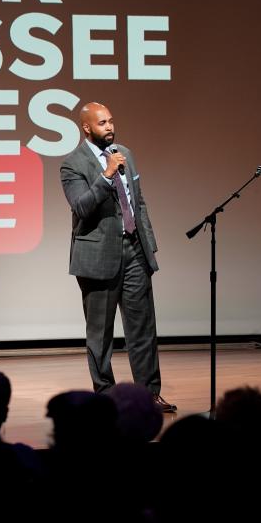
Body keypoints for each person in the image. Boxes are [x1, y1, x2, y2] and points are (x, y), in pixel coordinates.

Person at [60, 102, 175, 412]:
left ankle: (149, 394)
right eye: (102, 123)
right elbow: (82, 207)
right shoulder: (73, 164)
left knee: (143, 328)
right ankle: (105, 397)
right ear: (87, 128)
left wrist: (147, 242)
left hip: (134, 250)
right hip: (98, 257)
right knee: (101, 334)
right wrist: (107, 176)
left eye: (111, 121)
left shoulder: (125, 153)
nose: (109, 127)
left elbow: (140, 202)